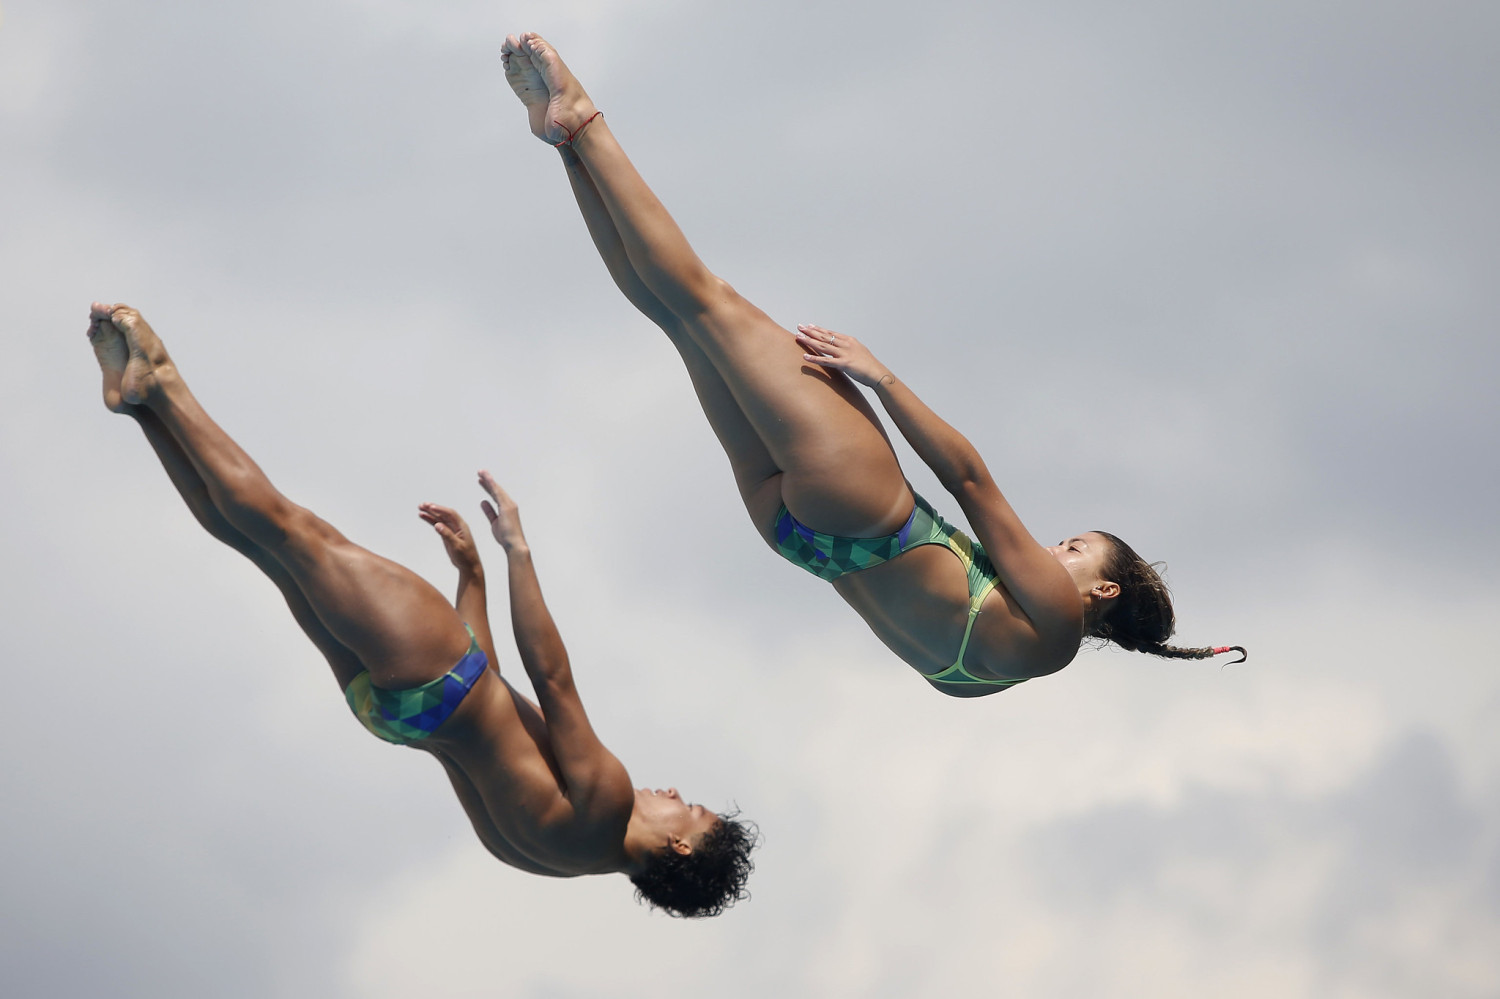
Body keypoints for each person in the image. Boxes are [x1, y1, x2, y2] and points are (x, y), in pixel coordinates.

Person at [501, 33, 1244, 698]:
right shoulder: (986, 681)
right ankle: (566, 143)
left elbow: (970, 479)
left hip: (862, 505)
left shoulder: (1054, 610)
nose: (1055, 549)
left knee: (707, 301)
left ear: (1104, 588)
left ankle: (585, 121)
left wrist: (882, 379)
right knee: (678, 319)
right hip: (799, 535)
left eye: (1076, 549)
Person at [86, 302, 755, 917]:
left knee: (292, 531)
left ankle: (165, 383)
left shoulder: (608, 801)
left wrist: (517, 551)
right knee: (260, 547)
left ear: (681, 849)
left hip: (438, 674)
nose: (671, 790)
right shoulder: (555, 860)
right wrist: (472, 580)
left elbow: (550, 679)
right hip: (394, 716)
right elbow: (487, 722)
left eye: (687, 808)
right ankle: (140, 406)